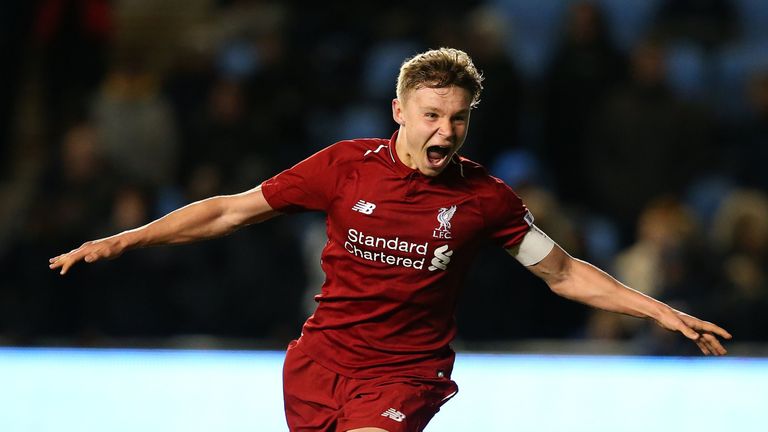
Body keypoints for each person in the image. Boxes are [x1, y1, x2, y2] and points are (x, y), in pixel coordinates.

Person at [49, 48, 731, 432]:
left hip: (405, 375)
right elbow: (231, 211)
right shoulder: (343, 167)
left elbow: (561, 271)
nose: (445, 132)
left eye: (458, 120)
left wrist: (656, 309)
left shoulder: (485, 200)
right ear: (400, 110)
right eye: (432, 115)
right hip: (318, 365)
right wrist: (129, 238)